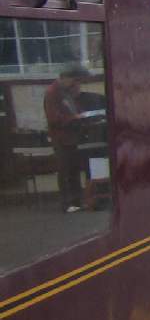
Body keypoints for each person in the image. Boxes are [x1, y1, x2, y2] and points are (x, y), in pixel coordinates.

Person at [44, 66, 89, 212]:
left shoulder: (66, 92)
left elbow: (74, 108)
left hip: (72, 137)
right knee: (65, 171)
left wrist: (81, 114)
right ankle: (67, 203)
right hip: (61, 137)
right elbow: (53, 118)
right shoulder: (52, 93)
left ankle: (77, 201)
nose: (74, 84)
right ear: (64, 78)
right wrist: (73, 118)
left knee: (74, 170)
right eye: (73, 81)